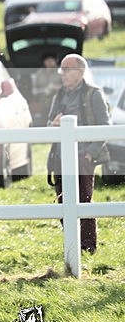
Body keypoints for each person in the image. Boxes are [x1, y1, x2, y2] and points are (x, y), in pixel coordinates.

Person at [46, 54, 110, 254]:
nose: (62, 73)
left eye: (67, 69)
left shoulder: (94, 94)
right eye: (61, 69)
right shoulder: (59, 95)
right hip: (61, 157)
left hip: (83, 157)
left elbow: (104, 127)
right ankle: (72, 245)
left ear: (80, 72)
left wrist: (90, 154)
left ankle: (88, 247)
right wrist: (53, 125)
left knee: (84, 201)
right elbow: (49, 123)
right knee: (63, 202)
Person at [31, 53, 63, 126]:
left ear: (55, 61)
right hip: (43, 104)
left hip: (58, 104)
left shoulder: (60, 72)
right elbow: (34, 89)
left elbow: (66, 87)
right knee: (44, 123)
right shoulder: (39, 73)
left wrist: (54, 87)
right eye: (47, 60)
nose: (49, 62)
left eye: (51, 60)